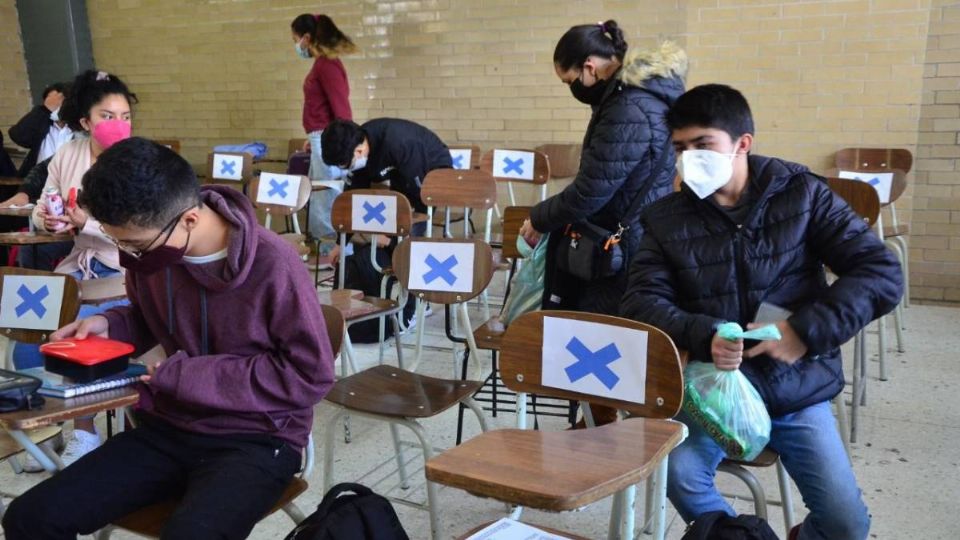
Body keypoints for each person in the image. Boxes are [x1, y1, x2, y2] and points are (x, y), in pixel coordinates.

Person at [2, 137, 335, 540]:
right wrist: (111, 325)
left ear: (189, 220)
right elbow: (147, 315)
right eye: (119, 242)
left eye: (135, 244)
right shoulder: (151, 253)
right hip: (169, 427)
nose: (128, 255)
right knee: (29, 518)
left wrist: (183, 375)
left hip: (258, 436)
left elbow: (308, 375)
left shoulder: (273, 264)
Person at [621, 84, 903, 540]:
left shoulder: (803, 195)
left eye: (703, 144)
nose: (689, 158)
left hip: (795, 386)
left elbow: (881, 272)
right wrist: (703, 333)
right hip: (713, 390)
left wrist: (803, 331)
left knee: (846, 526)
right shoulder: (666, 217)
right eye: (680, 148)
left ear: (742, 143)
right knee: (677, 475)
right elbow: (640, 301)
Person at [518, 21, 687, 426]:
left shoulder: (626, 108)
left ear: (591, 67)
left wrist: (539, 217)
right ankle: (600, 422)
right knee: (614, 335)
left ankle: (600, 432)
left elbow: (592, 190)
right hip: (638, 234)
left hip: (624, 245)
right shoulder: (640, 98)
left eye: (571, 78)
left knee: (601, 335)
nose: (572, 87)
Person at [16, 69, 137, 467]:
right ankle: (46, 428)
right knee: (26, 334)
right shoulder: (68, 154)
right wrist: (45, 219)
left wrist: (89, 225)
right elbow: (44, 201)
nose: (118, 125)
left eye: (125, 116)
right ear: (85, 122)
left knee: (77, 334)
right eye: (107, 116)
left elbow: (144, 232)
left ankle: (84, 431)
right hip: (77, 266)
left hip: (123, 270)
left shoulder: (138, 162)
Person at [321, 117, 453, 256]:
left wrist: (392, 241)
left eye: (346, 165)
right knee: (370, 239)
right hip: (400, 173)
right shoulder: (357, 147)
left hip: (430, 169)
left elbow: (418, 195)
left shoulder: (399, 143)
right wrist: (341, 243)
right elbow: (354, 197)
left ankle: (406, 264)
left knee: (405, 231)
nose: (346, 169)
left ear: (359, 151)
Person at [290, 13, 356, 238]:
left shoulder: (327, 65)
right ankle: (324, 244)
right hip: (321, 137)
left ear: (306, 38)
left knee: (325, 194)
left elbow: (341, 109)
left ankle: (327, 247)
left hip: (328, 140)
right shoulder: (323, 64)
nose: (296, 45)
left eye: (295, 39)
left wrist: (341, 144)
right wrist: (314, 138)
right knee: (319, 192)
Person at [8, 82, 73, 177]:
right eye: (50, 102)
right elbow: (18, 136)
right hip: (37, 184)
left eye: (58, 102)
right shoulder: (42, 124)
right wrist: (45, 110)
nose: (55, 106)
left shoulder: (81, 128)